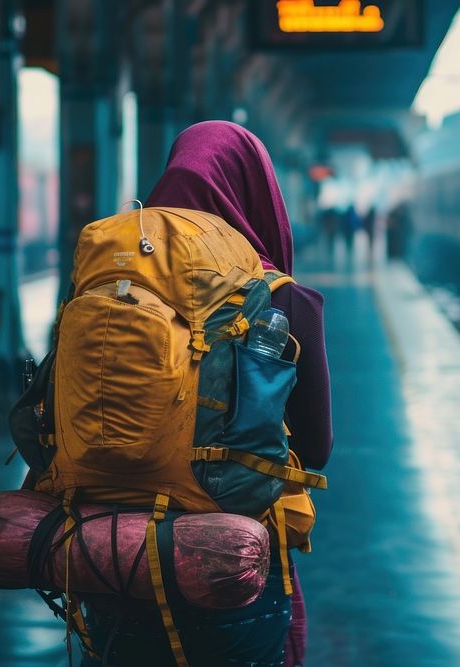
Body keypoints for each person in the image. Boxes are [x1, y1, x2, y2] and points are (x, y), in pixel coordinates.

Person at [80, 121, 333, 667]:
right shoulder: (287, 301)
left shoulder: (112, 280)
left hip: (109, 559)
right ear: (254, 190)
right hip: (229, 561)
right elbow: (316, 449)